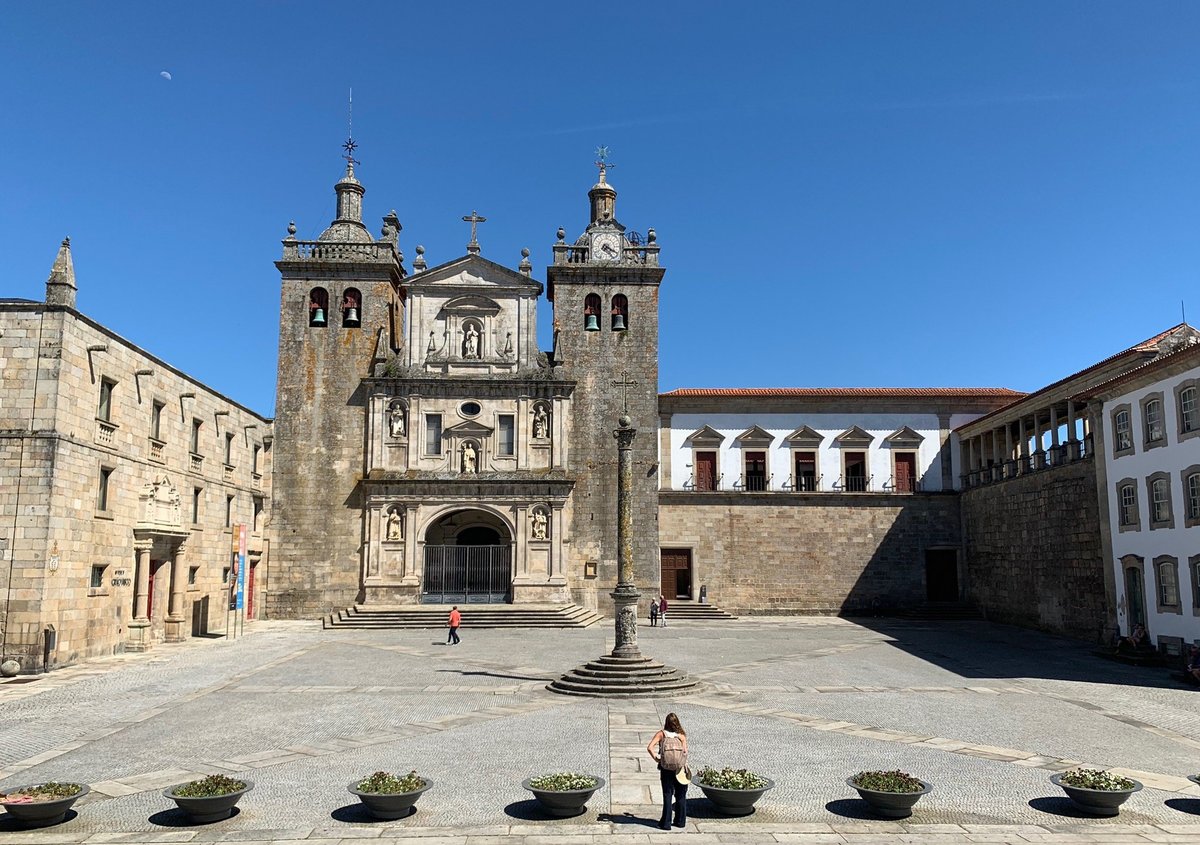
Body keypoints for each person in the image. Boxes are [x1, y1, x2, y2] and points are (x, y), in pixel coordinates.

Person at [646, 712, 689, 830]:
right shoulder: (681, 736)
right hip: (679, 769)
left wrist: (657, 759)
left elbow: (649, 747)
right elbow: (685, 752)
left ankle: (666, 823)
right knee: (681, 795)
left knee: (667, 794)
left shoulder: (662, 734)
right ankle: (680, 821)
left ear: (666, 722)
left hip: (666, 769)